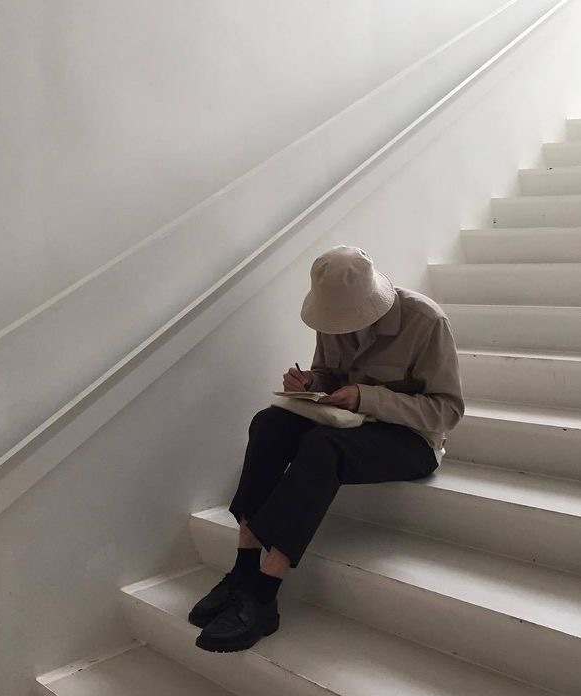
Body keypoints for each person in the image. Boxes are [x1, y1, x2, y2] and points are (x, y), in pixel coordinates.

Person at [189, 245, 465, 653]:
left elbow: (447, 411)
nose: (341, 326)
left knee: (323, 446)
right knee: (269, 423)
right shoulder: (331, 316)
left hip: (412, 440)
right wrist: (311, 384)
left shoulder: (426, 321)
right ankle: (243, 570)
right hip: (347, 423)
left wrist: (367, 397)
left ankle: (264, 593)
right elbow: (329, 374)